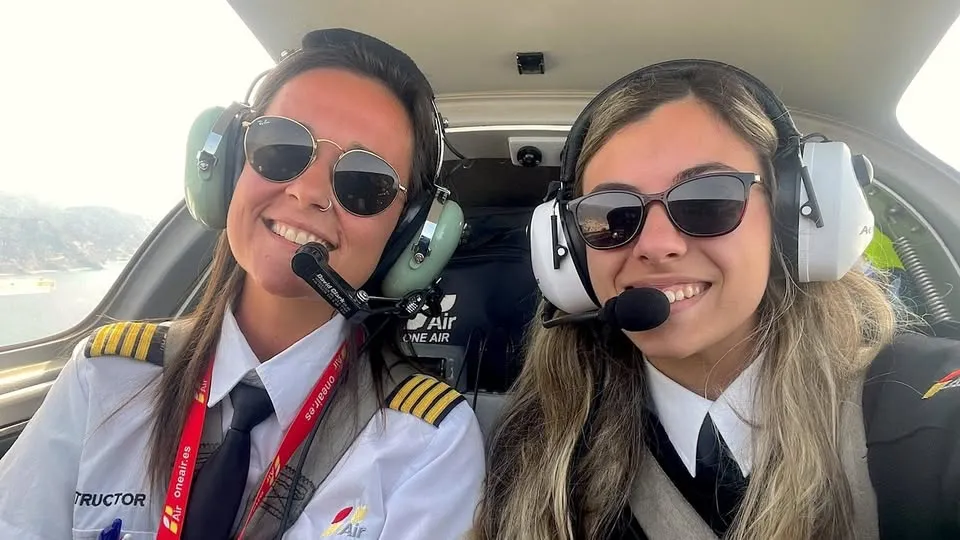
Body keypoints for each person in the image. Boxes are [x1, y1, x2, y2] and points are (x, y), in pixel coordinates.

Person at [0, 28, 484, 540]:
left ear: (408, 234)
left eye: (365, 181)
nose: (307, 191)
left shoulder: (426, 445)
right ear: (231, 164)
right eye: (282, 146)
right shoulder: (104, 378)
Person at [472, 59, 960, 540]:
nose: (655, 244)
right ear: (572, 254)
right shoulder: (535, 445)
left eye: (708, 198)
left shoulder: (925, 409)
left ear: (793, 220)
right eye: (612, 213)